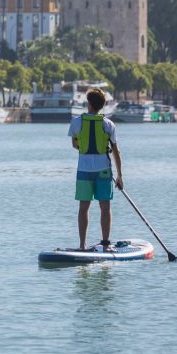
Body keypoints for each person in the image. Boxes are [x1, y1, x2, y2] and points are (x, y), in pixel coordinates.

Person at [68, 88, 124, 251]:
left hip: (84, 170)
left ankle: (82, 245)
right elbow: (115, 151)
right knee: (105, 206)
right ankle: (106, 244)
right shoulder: (108, 124)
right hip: (104, 170)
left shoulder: (76, 122)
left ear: (89, 104)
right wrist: (120, 176)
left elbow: (75, 144)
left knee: (83, 207)